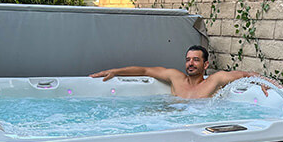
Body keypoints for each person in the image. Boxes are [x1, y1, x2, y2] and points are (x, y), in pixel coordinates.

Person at [89, 45, 271, 98]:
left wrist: (262, 82)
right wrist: (115, 71)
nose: (190, 63)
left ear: (205, 65)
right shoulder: (176, 78)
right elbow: (144, 70)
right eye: (188, 59)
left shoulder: (215, 80)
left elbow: (245, 75)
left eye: (196, 60)